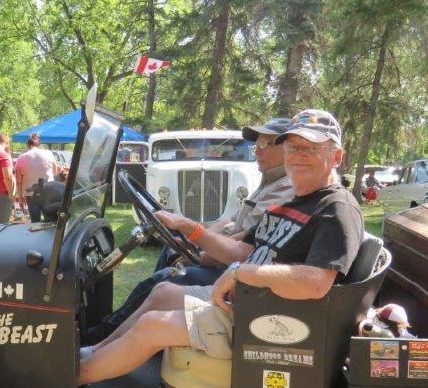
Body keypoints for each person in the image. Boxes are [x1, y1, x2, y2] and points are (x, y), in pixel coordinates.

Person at [78, 109, 364, 387]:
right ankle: (92, 351)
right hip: (243, 303)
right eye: (292, 147)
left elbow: (316, 283)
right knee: (162, 292)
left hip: (266, 320)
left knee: (153, 324)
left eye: (311, 148)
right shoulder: (293, 203)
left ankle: (67, 384)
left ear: (336, 157)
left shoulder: (336, 209)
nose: (298, 156)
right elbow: (241, 251)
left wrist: (242, 274)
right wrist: (190, 228)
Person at [83, 117, 295, 345]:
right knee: (167, 256)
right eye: (257, 145)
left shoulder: (285, 189)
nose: (257, 151)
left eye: (265, 144)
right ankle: (125, 328)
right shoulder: (270, 184)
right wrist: (194, 244)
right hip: (228, 262)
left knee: (160, 281)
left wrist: (199, 253)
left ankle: (99, 339)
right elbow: (228, 221)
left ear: (286, 148)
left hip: (233, 274)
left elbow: (242, 247)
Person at [15, 132, 56, 222]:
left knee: (35, 221)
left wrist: (21, 198)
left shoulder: (21, 158)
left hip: (31, 193)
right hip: (49, 191)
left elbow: (19, 181)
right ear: (39, 145)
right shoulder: (49, 154)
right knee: (51, 220)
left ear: (28, 145)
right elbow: (55, 172)